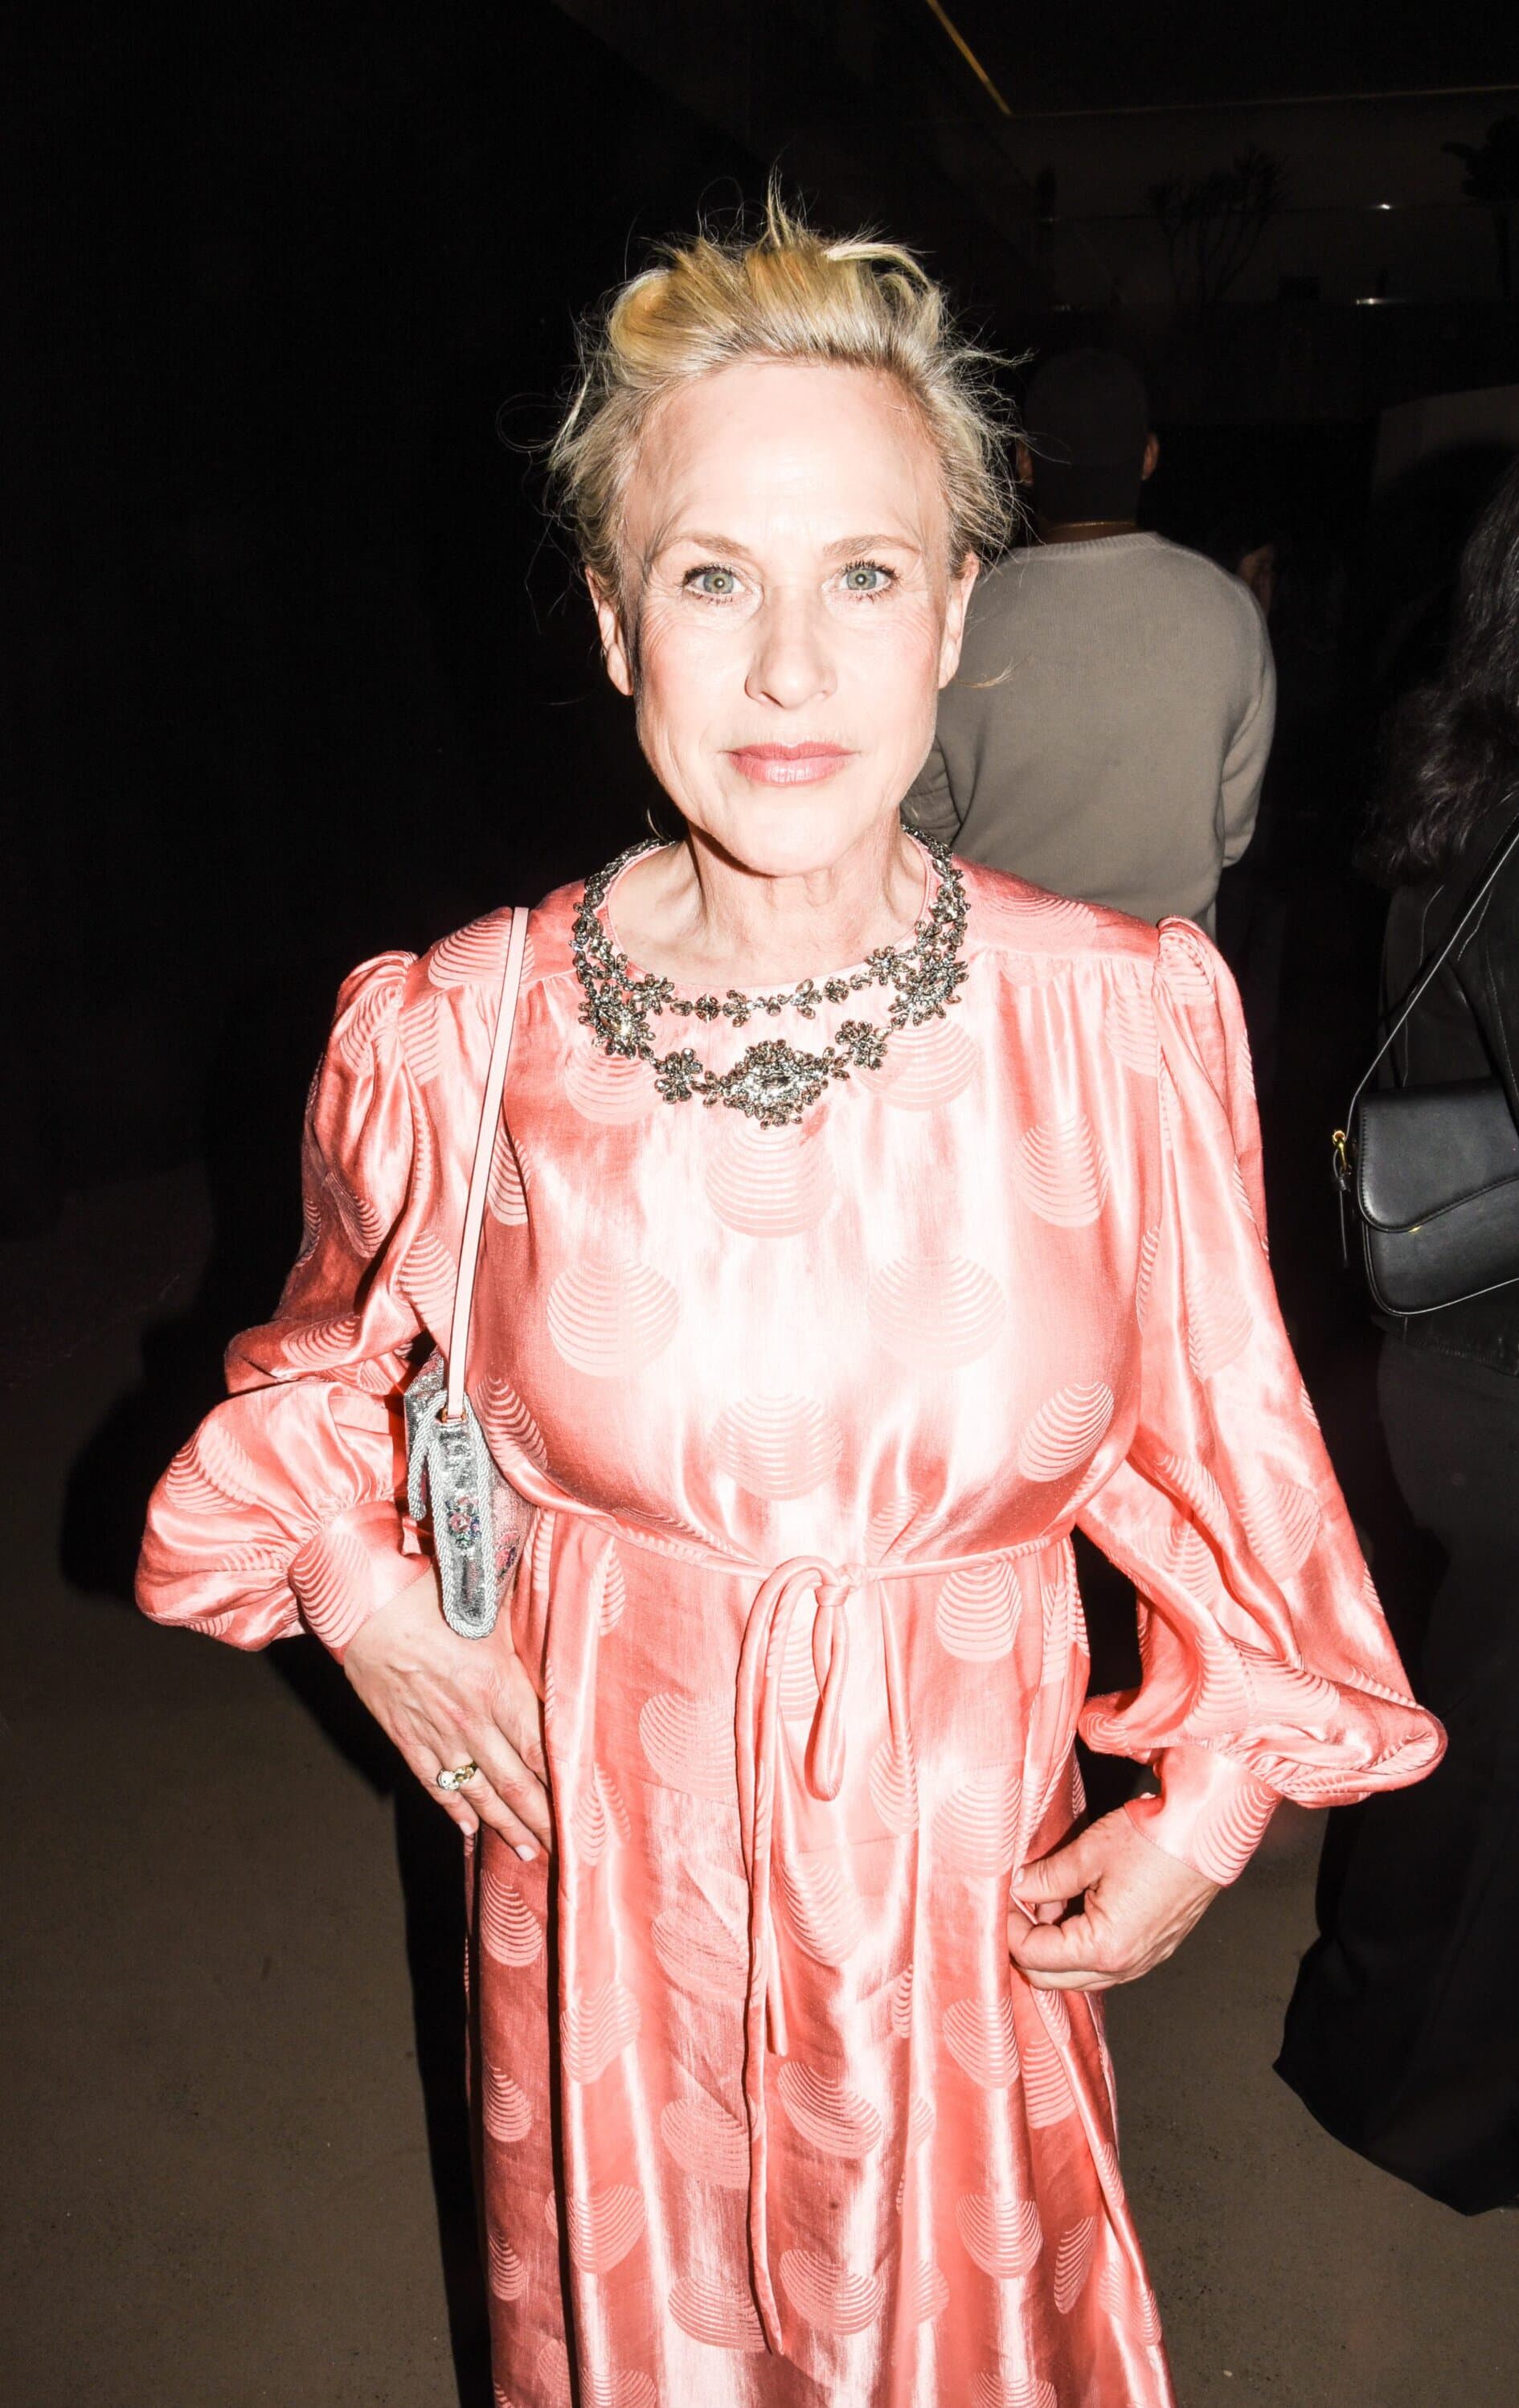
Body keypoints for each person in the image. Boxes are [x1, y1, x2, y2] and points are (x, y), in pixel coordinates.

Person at [137, 198, 1440, 2407]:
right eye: (711, 579)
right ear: (611, 618)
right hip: (609, 1916)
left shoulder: (1115, 1023)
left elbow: (1233, 1446)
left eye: (861, 576)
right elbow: (316, 1381)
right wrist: (361, 1588)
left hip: (955, 1920)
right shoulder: (458, 1036)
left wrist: (1210, 1809)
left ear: (955, 612)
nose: (786, 669)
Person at [1278, 403, 1519, 2217]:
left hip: (1478, 1370)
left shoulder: (1482, 772)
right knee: (1494, 1784)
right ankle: (1407, 2094)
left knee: (1489, 1757)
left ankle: (1400, 2029)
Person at [903, 348, 1275, 936]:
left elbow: (926, 820)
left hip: (1001, 963)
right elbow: (1230, 836)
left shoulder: (960, 613)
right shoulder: (1230, 610)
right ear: (1148, 457)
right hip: (1163, 968)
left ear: (1024, 463)